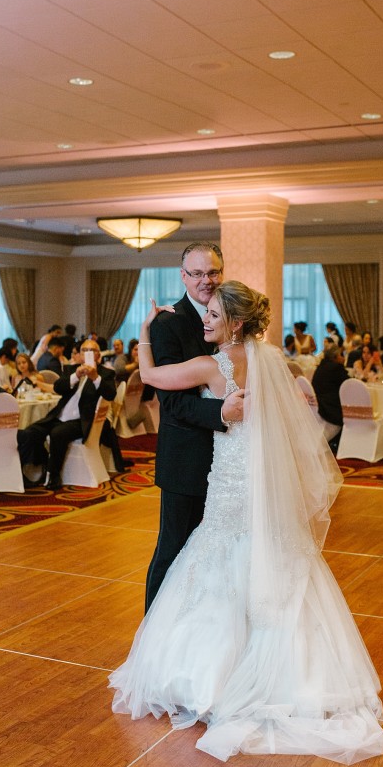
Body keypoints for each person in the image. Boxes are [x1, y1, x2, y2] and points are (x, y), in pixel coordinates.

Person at [109, 282, 383, 764]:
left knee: (216, 556)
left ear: (235, 321)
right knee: (265, 556)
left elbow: (151, 376)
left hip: (230, 483)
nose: (205, 320)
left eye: (214, 314)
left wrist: (146, 333)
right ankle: (291, 673)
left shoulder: (211, 366)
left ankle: (214, 676)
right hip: (260, 483)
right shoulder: (275, 360)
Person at [144, 241, 244, 611]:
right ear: (183, 276)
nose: (207, 280)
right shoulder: (169, 323)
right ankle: (152, 635)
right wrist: (220, 414)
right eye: (198, 273)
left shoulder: (235, 317)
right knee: (174, 548)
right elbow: (171, 402)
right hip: (187, 457)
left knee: (221, 554)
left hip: (232, 462)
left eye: (213, 272)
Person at [17, 338, 117, 489]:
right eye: (84, 351)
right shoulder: (72, 370)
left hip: (81, 421)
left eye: (92, 351)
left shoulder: (106, 373)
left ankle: (54, 475)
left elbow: (110, 394)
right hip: (59, 417)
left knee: (57, 433)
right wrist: (76, 376)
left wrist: (95, 377)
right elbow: (58, 387)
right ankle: (39, 467)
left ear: (98, 355)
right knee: (29, 432)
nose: (88, 354)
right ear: (80, 355)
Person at [311, 343, 348, 448]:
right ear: (335, 357)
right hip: (331, 408)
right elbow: (348, 384)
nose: (343, 358)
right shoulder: (336, 367)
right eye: (341, 355)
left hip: (320, 405)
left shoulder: (320, 367)